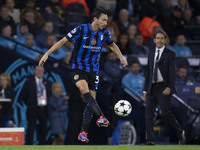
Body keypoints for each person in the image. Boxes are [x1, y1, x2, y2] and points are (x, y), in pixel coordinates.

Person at [39, 7, 128, 143]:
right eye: (103, 20)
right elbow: (63, 41)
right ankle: (101, 117)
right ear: (95, 19)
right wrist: (47, 53)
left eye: (106, 20)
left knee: (90, 101)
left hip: (93, 70)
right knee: (83, 89)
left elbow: (112, 45)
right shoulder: (81, 29)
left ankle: (83, 133)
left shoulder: (104, 33)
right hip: (77, 67)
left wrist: (121, 56)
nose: (106, 23)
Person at [143, 30, 185, 145]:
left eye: (162, 38)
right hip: (152, 87)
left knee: (165, 113)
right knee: (148, 114)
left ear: (165, 40)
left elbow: (172, 72)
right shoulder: (150, 53)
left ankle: (180, 131)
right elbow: (148, 72)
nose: (160, 40)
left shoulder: (170, 54)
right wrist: (145, 90)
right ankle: (150, 139)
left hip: (163, 87)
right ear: (154, 40)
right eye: (158, 38)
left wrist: (169, 87)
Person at [20, 66, 52, 145]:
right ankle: (29, 145)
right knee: (31, 128)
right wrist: (30, 104)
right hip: (33, 109)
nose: (39, 72)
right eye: (38, 70)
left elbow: (50, 96)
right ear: (34, 71)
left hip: (44, 109)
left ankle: (42, 145)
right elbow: (23, 96)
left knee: (43, 128)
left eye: (41, 70)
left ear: (43, 72)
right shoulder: (28, 82)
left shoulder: (48, 82)